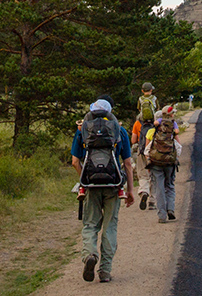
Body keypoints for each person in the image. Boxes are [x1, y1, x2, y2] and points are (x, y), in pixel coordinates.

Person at [72, 98, 135, 283]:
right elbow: (128, 163)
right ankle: (105, 271)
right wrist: (130, 190)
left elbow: (75, 162)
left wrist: (84, 179)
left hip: (91, 185)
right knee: (109, 228)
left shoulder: (82, 130)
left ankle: (90, 255)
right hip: (113, 185)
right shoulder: (119, 130)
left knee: (90, 224)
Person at [144, 105, 180, 224]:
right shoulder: (172, 129)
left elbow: (147, 149)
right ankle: (171, 209)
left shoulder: (153, 130)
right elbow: (178, 147)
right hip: (169, 161)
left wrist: (149, 160)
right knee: (169, 185)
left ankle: (162, 215)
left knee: (159, 188)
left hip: (156, 162)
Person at [135, 82, 158, 210]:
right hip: (154, 151)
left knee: (142, 174)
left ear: (142, 90)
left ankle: (144, 192)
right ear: (151, 90)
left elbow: (134, 139)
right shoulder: (157, 126)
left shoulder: (138, 124)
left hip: (142, 148)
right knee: (154, 175)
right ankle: (152, 202)